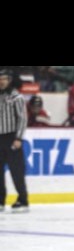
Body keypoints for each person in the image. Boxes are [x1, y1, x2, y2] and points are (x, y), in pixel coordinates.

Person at [0, 69, 29, 213]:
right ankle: (0, 201)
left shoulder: (16, 97)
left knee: (16, 171)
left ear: (9, 80)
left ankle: (23, 200)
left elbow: (22, 119)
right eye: (0, 78)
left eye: (5, 78)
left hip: (12, 137)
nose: (2, 81)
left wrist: (18, 137)